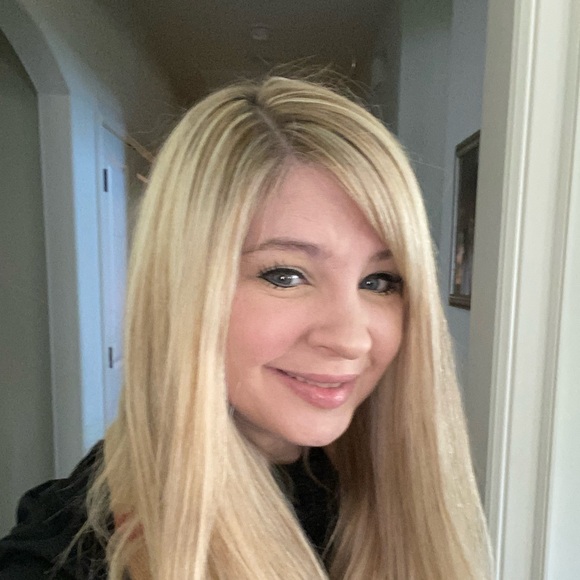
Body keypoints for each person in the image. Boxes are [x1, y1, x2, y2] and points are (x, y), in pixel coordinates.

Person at [0, 76, 491, 579]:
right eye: (285, 275)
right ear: (183, 290)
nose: (350, 339)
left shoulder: (373, 487)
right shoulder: (68, 557)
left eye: (380, 281)